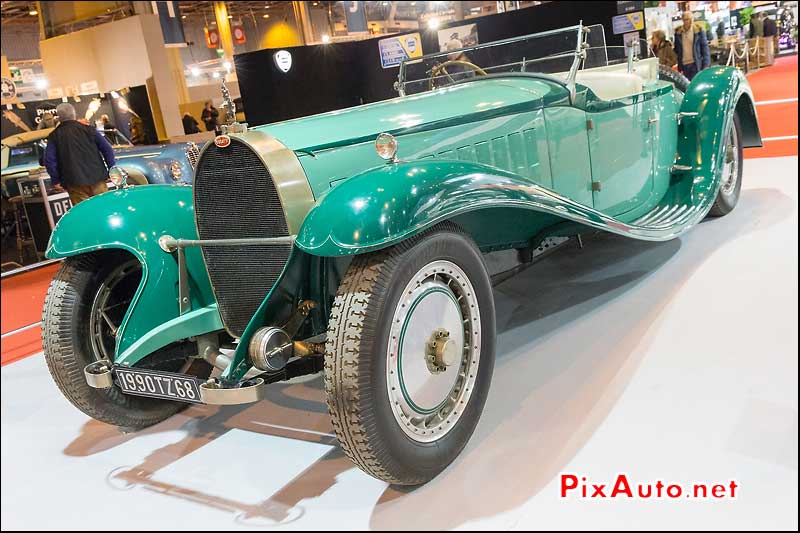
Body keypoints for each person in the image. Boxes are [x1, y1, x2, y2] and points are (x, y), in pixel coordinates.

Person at [43, 103, 115, 205]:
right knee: (105, 208)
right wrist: (112, 169)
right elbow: (108, 149)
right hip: (98, 178)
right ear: (74, 114)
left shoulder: (54, 136)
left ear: (58, 117)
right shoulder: (89, 130)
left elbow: (49, 160)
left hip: (74, 183)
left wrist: (55, 180)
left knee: (84, 215)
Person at [674, 11, 711, 80]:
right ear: (683, 21)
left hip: (696, 63)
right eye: (687, 19)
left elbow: (705, 48)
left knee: (697, 82)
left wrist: (706, 64)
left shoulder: (698, 31)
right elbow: (677, 49)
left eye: (692, 18)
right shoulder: (678, 33)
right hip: (684, 65)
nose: (690, 21)